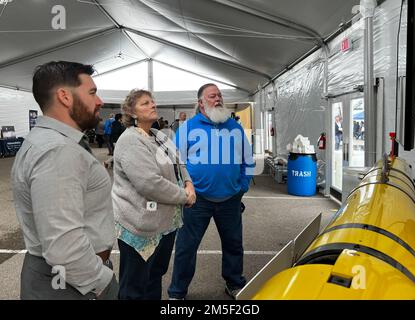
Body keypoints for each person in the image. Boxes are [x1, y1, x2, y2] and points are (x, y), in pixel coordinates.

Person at [11, 61, 118, 300]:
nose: (99, 101)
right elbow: (64, 247)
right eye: (92, 92)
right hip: (70, 284)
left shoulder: (51, 142)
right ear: (65, 97)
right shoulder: (58, 150)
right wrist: (104, 283)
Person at [168, 83, 254, 300]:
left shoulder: (234, 127)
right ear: (201, 102)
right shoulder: (188, 128)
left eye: (219, 95)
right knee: (186, 247)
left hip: (230, 199)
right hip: (197, 200)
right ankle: (177, 292)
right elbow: (175, 163)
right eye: (212, 96)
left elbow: (247, 160)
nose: (218, 99)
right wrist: (184, 190)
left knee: (234, 244)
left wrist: (242, 187)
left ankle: (234, 283)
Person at [112, 89, 196, 300]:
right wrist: (184, 196)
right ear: (131, 113)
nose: (152, 105)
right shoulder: (130, 140)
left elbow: (178, 161)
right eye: (145, 103)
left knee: (154, 277)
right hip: (141, 227)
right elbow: (150, 183)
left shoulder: (159, 135)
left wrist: (188, 182)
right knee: (134, 287)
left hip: (165, 224)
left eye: (152, 102)